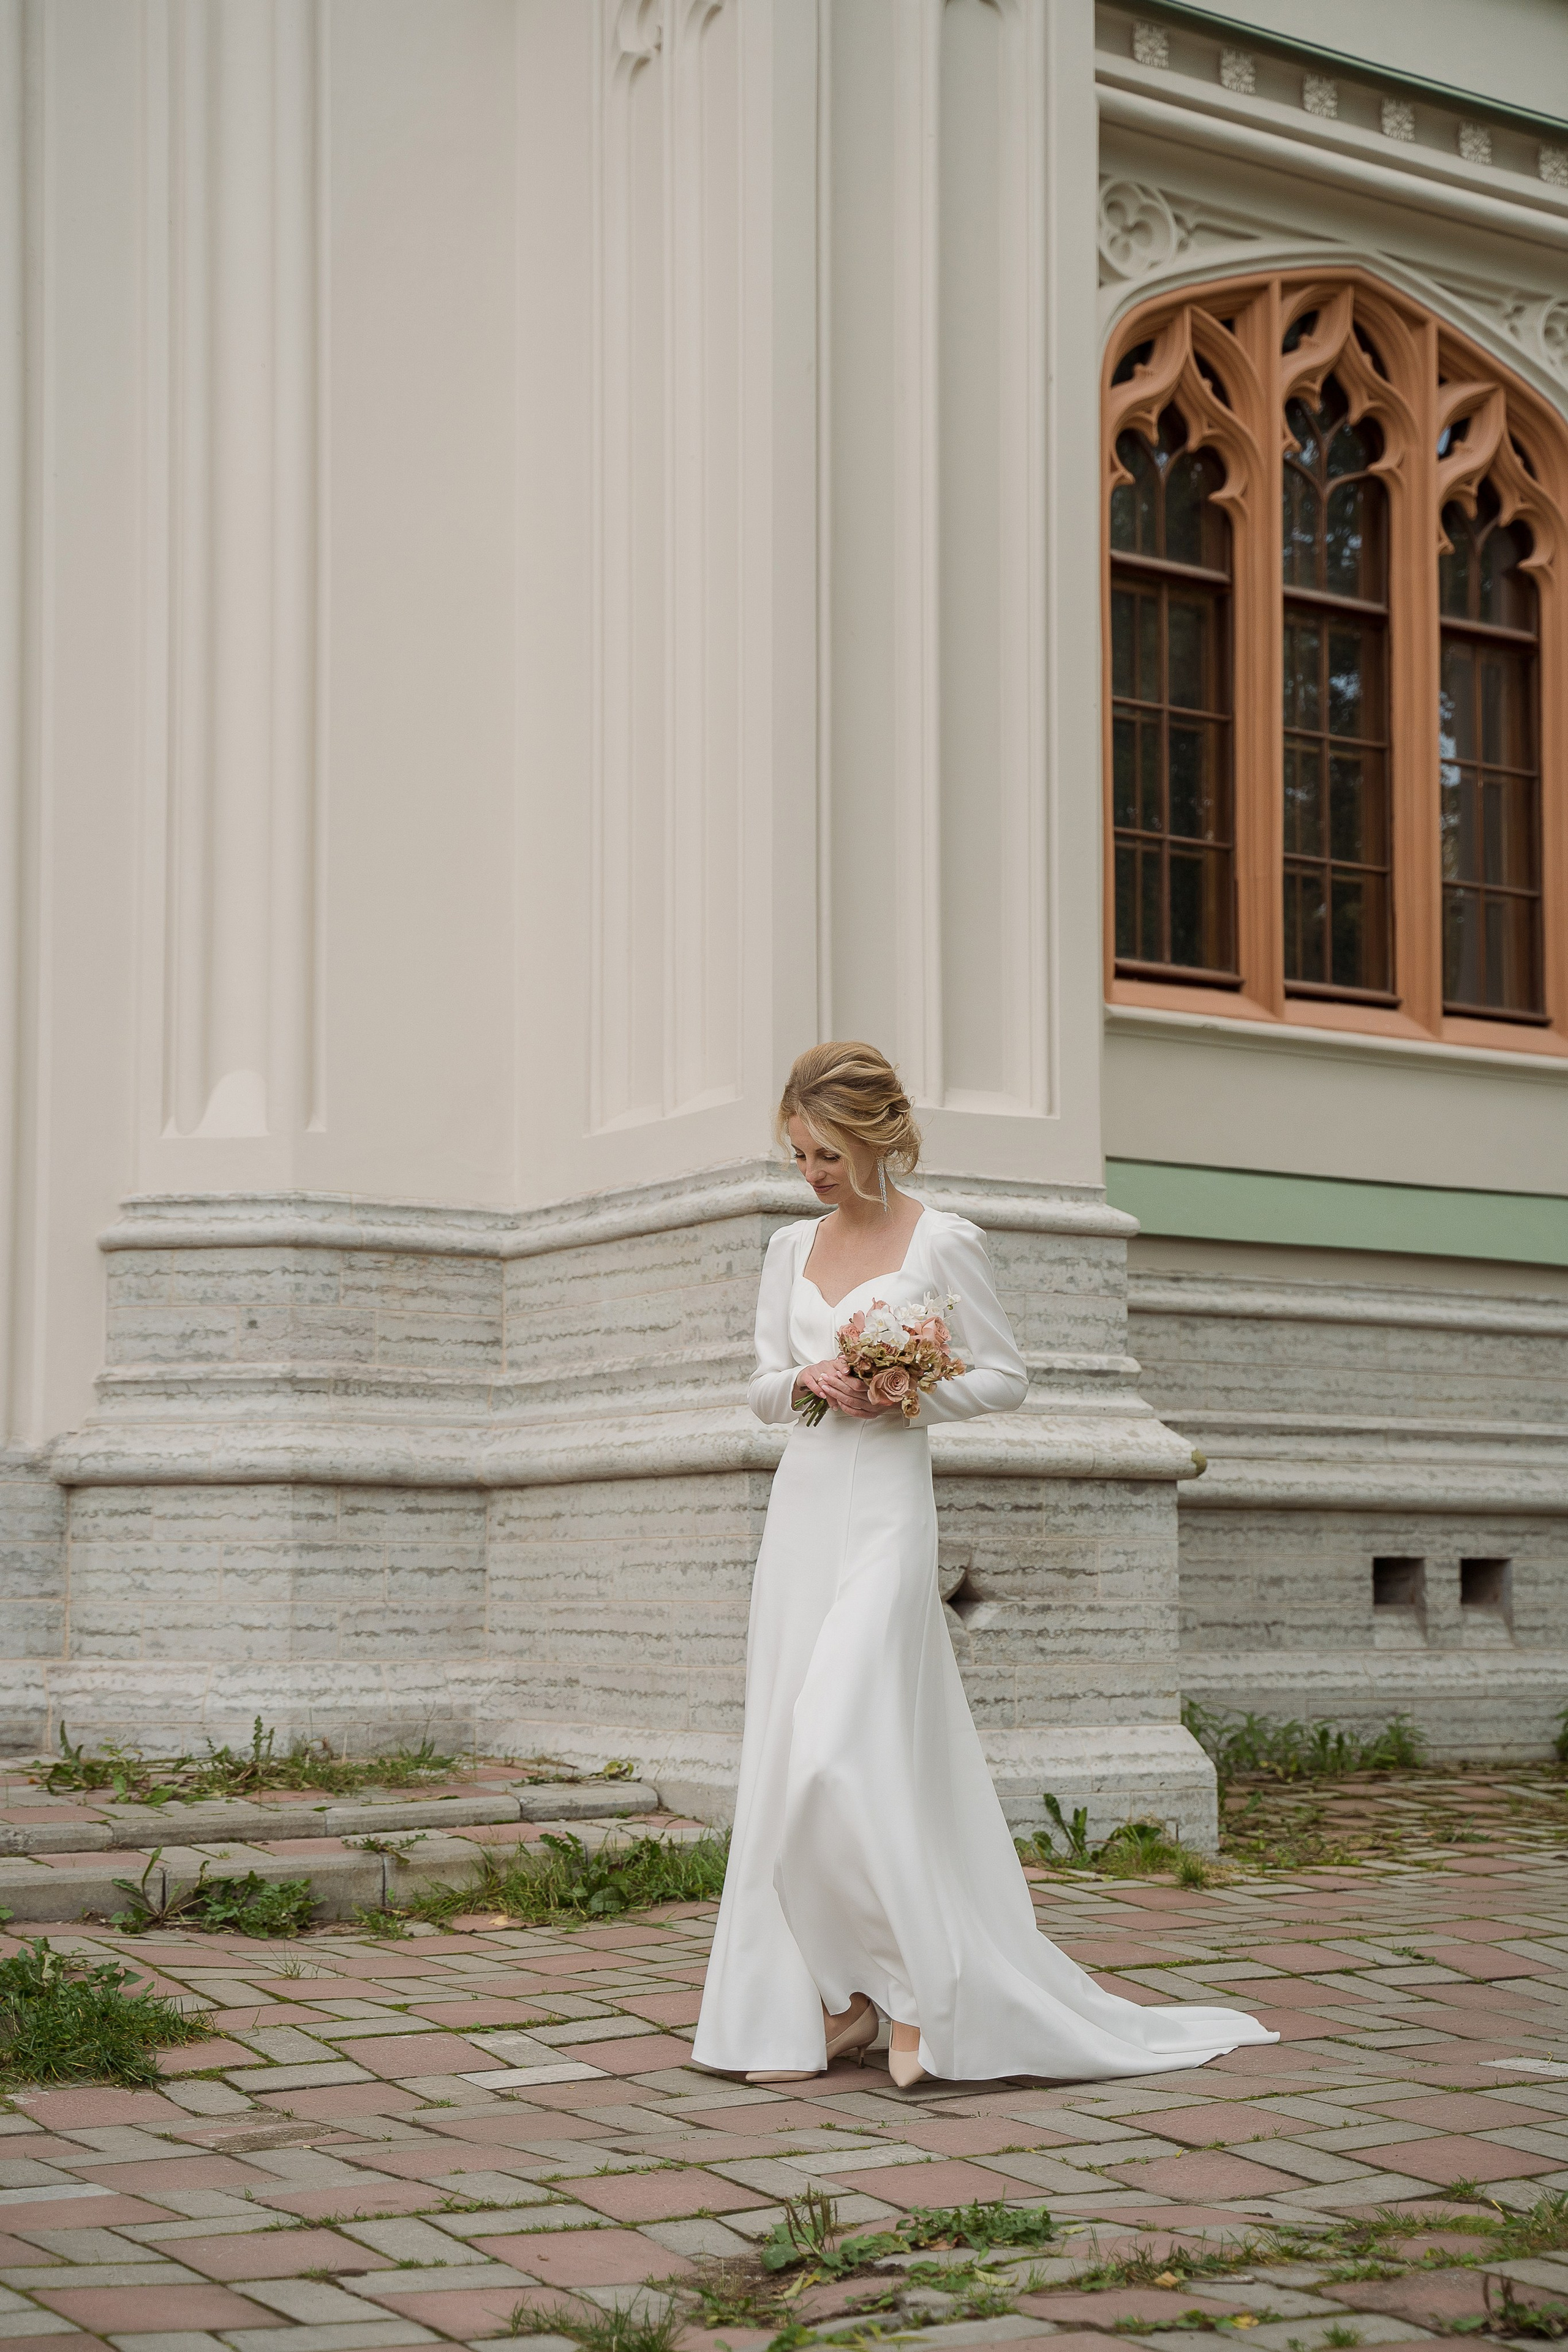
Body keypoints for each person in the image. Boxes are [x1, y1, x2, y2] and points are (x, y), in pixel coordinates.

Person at [692, 1040, 1276, 2089]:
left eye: (825, 1152)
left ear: (875, 1140)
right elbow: (762, 1387)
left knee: (842, 1748)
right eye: (799, 1154)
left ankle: (923, 1992)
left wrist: (910, 1392)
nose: (811, 1172)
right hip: (806, 1512)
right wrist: (817, 1381)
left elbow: (1005, 1377)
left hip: (885, 1515)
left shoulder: (944, 1240)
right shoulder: (789, 1246)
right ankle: (846, 1998)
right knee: (794, 1765)